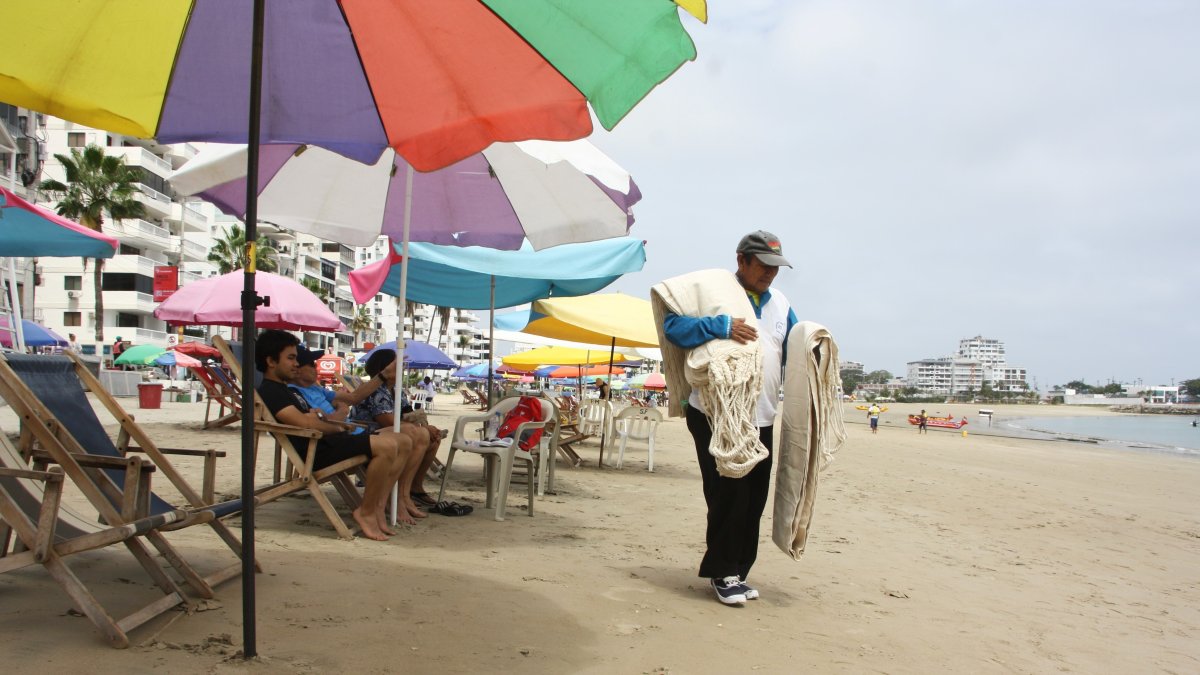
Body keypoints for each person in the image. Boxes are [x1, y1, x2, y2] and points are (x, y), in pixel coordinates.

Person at [661, 230, 797, 606]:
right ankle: (722, 572)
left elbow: (796, 345)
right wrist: (718, 326)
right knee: (728, 494)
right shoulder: (713, 291)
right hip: (715, 413)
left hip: (763, 415)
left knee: (754, 498)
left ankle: (739, 569)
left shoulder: (781, 304)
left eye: (776, 268)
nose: (770, 273)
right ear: (742, 260)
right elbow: (672, 327)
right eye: (764, 265)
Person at [255, 329, 414, 541]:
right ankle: (366, 511)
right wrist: (339, 426)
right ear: (271, 361)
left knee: (401, 440)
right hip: (317, 452)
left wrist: (323, 419)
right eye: (291, 358)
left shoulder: (286, 390)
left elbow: (316, 417)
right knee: (387, 446)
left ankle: (376, 506)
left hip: (329, 442)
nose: (296, 363)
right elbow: (305, 423)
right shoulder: (272, 391)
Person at [350, 349, 445, 509]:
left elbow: (408, 413)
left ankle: (415, 487)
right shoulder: (375, 390)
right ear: (385, 368)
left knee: (432, 439)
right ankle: (402, 493)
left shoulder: (395, 389)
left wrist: (427, 427)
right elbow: (386, 421)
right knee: (420, 434)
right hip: (372, 434)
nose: (403, 369)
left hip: (391, 432)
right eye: (398, 365)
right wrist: (421, 428)